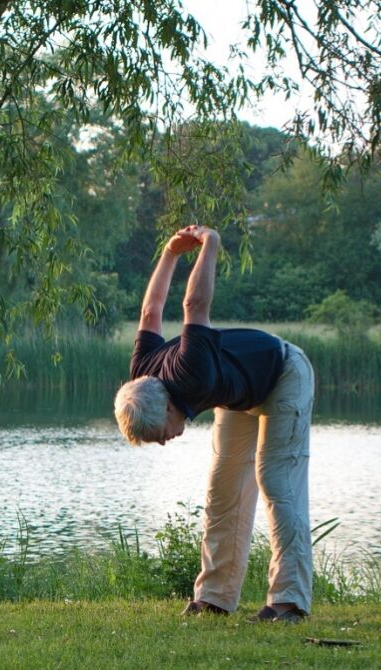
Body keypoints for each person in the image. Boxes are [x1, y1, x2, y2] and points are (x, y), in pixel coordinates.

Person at [113, 224, 315, 623]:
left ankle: (289, 601)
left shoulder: (191, 372)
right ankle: (214, 597)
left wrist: (210, 245)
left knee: (276, 481)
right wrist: (169, 253)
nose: (166, 442)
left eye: (160, 436)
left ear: (168, 408)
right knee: (223, 491)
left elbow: (195, 305)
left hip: (284, 374)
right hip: (238, 394)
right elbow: (150, 311)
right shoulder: (142, 373)